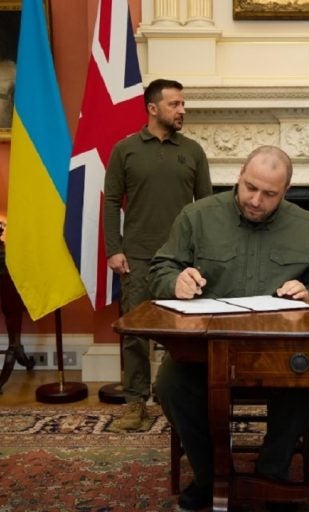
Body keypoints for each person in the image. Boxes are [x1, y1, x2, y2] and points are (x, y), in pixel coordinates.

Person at [149, 145, 309, 511]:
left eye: (269, 194)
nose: (255, 200)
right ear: (239, 174)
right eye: (250, 187)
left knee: (306, 385)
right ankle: (212, 476)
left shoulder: (306, 225)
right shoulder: (197, 216)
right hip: (205, 348)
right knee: (170, 383)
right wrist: (176, 281)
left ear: (286, 191)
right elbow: (160, 269)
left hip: (279, 350)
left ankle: (271, 476)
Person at [103, 79, 213, 431]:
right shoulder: (125, 150)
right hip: (136, 257)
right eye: (174, 104)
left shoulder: (193, 151)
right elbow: (110, 201)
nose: (182, 110)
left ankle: (181, 400)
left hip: (182, 261)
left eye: (183, 104)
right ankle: (135, 404)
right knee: (135, 333)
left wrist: (204, 255)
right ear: (153, 108)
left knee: (185, 333)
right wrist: (113, 249)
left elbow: (208, 207)